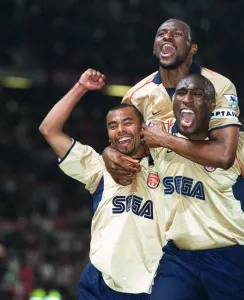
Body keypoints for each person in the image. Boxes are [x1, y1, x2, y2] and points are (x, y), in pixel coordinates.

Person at [39, 69, 165, 299]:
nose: (121, 130)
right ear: (108, 135)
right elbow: (49, 129)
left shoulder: (167, 168)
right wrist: (81, 87)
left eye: (128, 122)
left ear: (142, 128)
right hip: (99, 284)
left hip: (147, 286)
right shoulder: (98, 167)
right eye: (113, 125)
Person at [103, 18, 241, 186]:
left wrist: (164, 139)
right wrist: (109, 152)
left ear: (193, 48)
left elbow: (224, 155)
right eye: (161, 34)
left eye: (177, 34)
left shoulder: (219, 85)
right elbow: (128, 147)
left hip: (217, 196)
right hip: (168, 198)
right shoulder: (135, 96)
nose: (167, 36)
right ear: (154, 48)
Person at [145, 73, 244, 300]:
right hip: (179, 257)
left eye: (196, 94)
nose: (187, 98)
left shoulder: (236, 146)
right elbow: (120, 149)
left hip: (229, 255)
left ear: (211, 105)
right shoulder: (157, 139)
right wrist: (110, 153)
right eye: (181, 92)